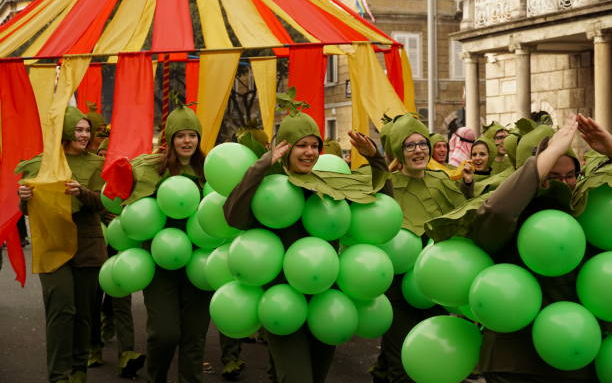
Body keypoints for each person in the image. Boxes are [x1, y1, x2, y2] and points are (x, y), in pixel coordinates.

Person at [427, 115, 611, 383]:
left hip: (575, 353)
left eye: (571, 175)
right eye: (553, 175)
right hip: (515, 362)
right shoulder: (512, 216)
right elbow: (497, 213)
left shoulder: (586, 214)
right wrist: (545, 158)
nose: (565, 183)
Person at [224, 109, 388, 383]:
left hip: (325, 296)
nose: (309, 152)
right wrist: (261, 166)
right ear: (285, 148)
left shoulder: (330, 183)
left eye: (314, 145)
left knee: (314, 376)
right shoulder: (270, 189)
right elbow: (233, 215)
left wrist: (375, 158)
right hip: (282, 300)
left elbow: (382, 200)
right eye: (301, 145)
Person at [371, 114, 473, 383]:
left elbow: (462, 219)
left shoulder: (441, 181)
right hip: (396, 289)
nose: (418, 150)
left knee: (435, 357)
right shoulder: (388, 184)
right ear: (399, 152)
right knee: (401, 364)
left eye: (422, 143)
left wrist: (469, 186)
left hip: (434, 288)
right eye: (409, 145)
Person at [16, 106, 107, 383]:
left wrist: (84, 193)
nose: (84, 134)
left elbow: (105, 203)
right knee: (61, 310)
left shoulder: (96, 164)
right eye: (78, 129)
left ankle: (79, 371)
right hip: (53, 243)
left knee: (83, 313)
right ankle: (59, 375)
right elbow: (30, 210)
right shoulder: (40, 164)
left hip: (87, 243)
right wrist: (24, 196)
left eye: (86, 129)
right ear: (65, 132)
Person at [122, 106, 212, 383]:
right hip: (161, 261)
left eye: (192, 135)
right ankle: (156, 377)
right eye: (180, 136)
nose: (187, 141)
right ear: (170, 139)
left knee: (194, 337)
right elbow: (131, 205)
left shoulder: (209, 169)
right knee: (164, 333)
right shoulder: (151, 169)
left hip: (199, 262)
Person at [88, 137, 146, 378]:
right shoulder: (91, 178)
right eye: (102, 155)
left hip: (122, 248)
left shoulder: (129, 181)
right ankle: (93, 347)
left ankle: (127, 352)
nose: (105, 160)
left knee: (122, 301)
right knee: (93, 300)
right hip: (95, 249)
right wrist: (103, 216)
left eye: (109, 156)